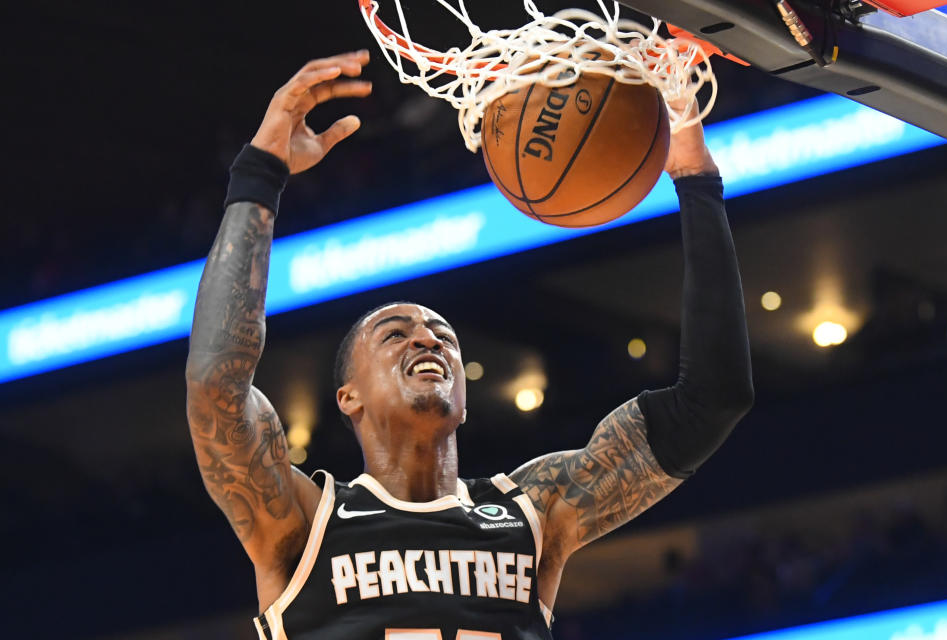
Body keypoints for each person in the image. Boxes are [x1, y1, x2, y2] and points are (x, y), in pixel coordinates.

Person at [185, 50, 754, 640]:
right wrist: (259, 174)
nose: (427, 338)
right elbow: (215, 384)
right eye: (395, 334)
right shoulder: (303, 523)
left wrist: (695, 176)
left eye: (444, 337)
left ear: (464, 397)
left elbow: (713, 401)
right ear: (347, 396)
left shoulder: (533, 513)